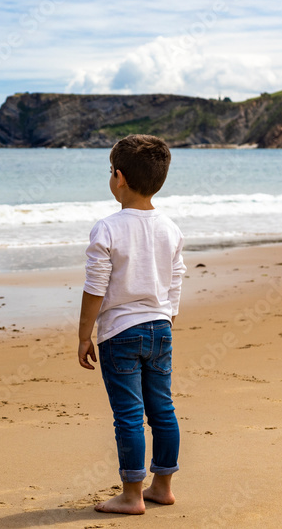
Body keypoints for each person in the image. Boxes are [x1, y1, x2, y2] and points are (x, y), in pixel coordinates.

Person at [77, 134, 186, 515]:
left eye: (110, 172)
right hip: (160, 328)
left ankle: (131, 495)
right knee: (163, 410)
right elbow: (176, 279)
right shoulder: (170, 228)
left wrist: (83, 335)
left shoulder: (107, 228)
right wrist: (166, 317)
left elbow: (95, 288)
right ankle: (163, 487)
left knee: (128, 415)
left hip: (120, 334)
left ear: (119, 178)